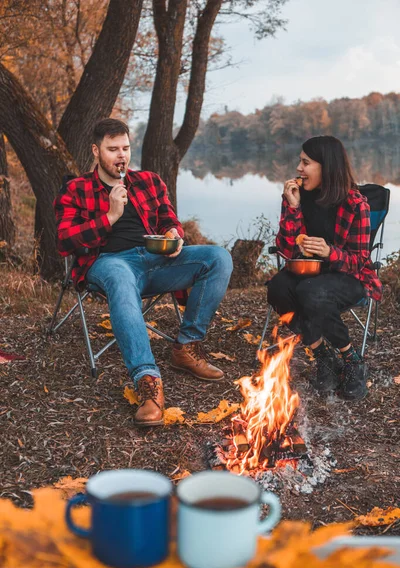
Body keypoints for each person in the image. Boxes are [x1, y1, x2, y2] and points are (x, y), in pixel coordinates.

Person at [54, 118, 233, 426]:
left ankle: (186, 347)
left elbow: (167, 218)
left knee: (218, 257)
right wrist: (110, 216)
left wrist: (174, 234)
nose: (121, 156)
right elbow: (64, 240)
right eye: (112, 149)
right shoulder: (76, 189)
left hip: (155, 259)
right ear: (96, 151)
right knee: (121, 279)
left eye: (125, 148)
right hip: (109, 263)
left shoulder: (148, 181)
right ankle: (147, 381)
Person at [267, 135, 382, 401]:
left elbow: (359, 261)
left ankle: (352, 359)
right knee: (278, 288)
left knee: (311, 293)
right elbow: (285, 249)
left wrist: (331, 252)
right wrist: (294, 208)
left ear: (326, 166)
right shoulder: (296, 196)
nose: (299, 168)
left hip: (347, 277)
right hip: (306, 272)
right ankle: (323, 356)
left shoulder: (356, 204)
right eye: (300, 161)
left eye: (306, 162)